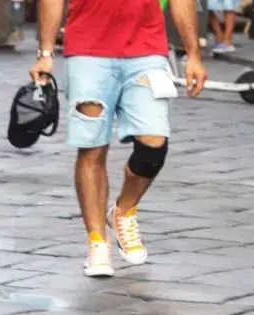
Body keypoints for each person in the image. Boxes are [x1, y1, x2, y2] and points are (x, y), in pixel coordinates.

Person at [30, 0, 207, 277]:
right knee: (92, 149)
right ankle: (97, 242)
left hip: (147, 52)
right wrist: (45, 51)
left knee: (154, 145)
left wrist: (193, 54)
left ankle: (123, 209)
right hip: (87, 52)